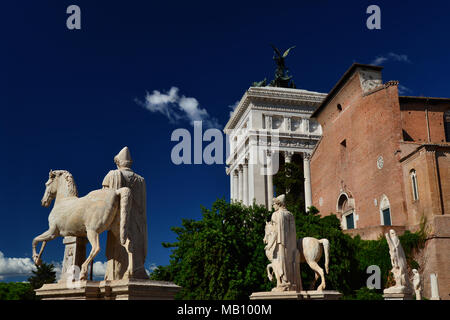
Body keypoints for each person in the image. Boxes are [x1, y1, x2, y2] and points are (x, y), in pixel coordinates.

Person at [103, 147, 148, 280]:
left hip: (118, 221)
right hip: (137, 224)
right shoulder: (140, 180)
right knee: (135, 247)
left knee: (119, 251)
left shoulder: (112, 175)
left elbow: (103, 201)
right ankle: (135, 270)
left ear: (118, 162)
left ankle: (117, 275)